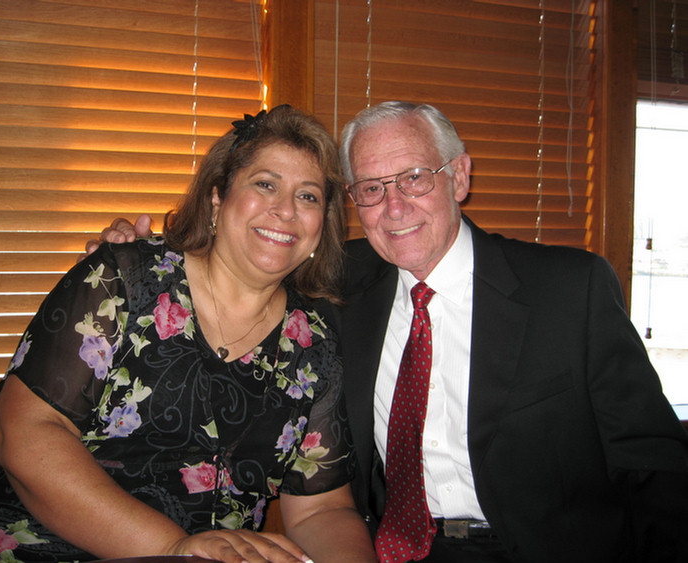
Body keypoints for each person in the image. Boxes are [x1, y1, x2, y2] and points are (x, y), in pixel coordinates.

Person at [86, 101, 688, 563]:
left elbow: (656, 463)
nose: (394, 207)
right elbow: (246, 251)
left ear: (459, 177)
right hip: (392, 551)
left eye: (415, 178)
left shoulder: (568, 288)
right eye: (371, 189)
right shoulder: (339, 282)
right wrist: (139, 255)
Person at [0, 105, 376, 563]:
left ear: (320, 225)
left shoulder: (314, 346)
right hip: (33, 542)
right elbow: (23, 434)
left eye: (308, 197)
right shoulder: (122, 281)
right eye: (265, 184)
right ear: (216, 198)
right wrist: (171, 548)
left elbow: (321, 510)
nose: (285, 210)